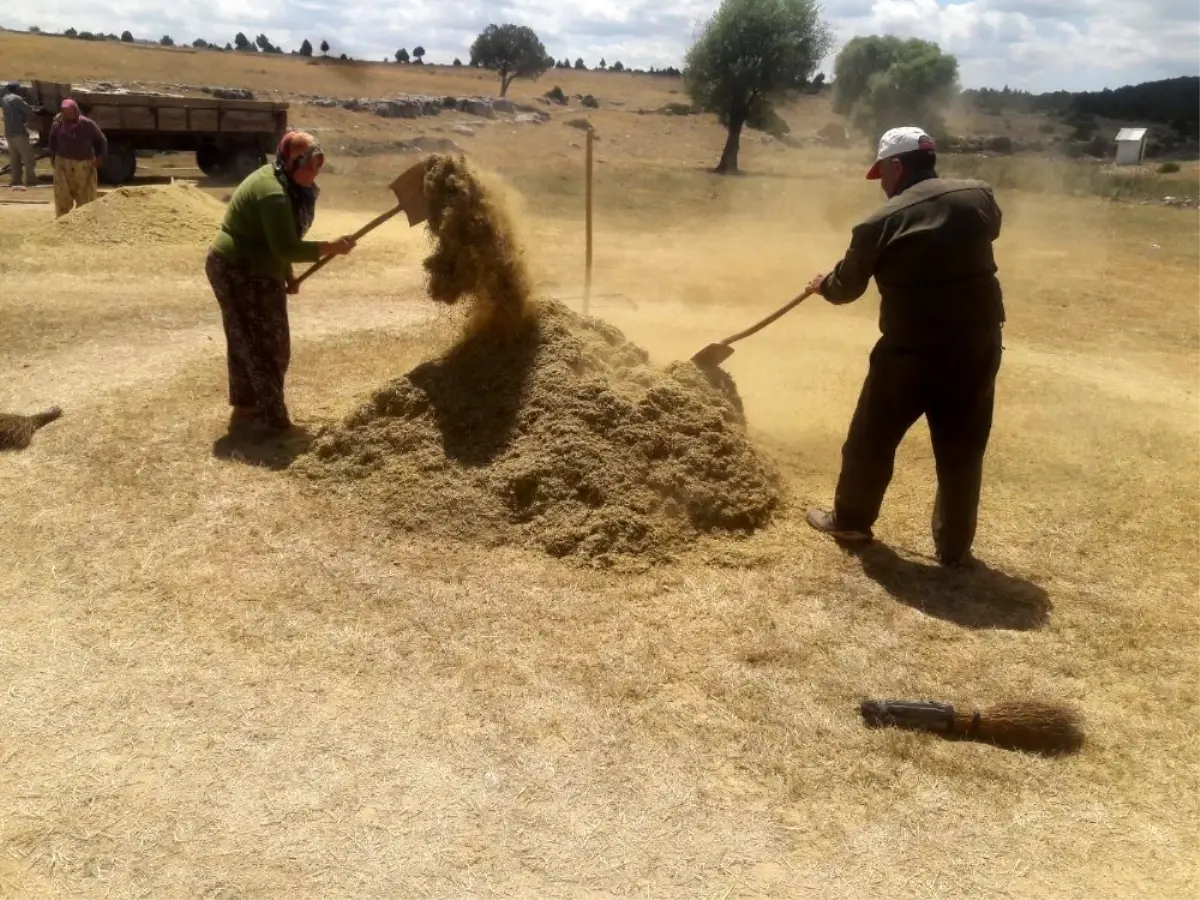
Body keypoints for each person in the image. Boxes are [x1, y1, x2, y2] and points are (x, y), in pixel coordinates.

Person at [804, 126, 1005, 568]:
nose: (882, 183)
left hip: (911, 352)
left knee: (870, 440)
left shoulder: (880, 223)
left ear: (897, 165)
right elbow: (987, 234)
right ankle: (954, 548)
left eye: (882, 174)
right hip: (978, 345)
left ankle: (851, 520)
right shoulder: (979, 195)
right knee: (963, 449)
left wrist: (824, 286)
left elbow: (846, 288)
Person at [206, 130, 357, 437]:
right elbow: (285, 247)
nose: (315, 173)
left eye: (318, 165)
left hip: (259, 265)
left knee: (248, 339)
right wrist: (330, 247)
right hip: (238, 268)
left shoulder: (290, 186)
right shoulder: (273, 193)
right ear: (290, 162)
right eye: (310, 165)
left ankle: (247, 406)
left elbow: (281, 241)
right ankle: (274, 421)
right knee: (266, 345)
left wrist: (286, 274)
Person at [48, 99, 107, 217]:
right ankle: (63, 222)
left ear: (75, 111)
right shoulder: (58, 124)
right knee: (62, 195)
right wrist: (53, 157)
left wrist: (100, 156)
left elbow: (101, 140)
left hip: (83, 164)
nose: (66, 114)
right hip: (63, 163)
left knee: (86, 197)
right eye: (64, 111)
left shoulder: (87, 124)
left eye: (69, 111)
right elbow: (52, 140)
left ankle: (85, 222)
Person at [1, 82, 38, 190]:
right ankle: (31, 180)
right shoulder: (16, 99)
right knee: (28, 159)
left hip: (9, 134)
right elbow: (29, 110)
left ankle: (16, 180)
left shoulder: (4, 99)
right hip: (19, 133)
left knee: (15, 159)